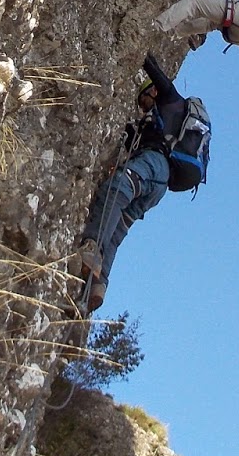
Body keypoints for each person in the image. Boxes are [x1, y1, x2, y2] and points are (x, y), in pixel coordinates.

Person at [71, 55, 186, 313]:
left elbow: (159, 77)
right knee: (120, 226)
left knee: (118, 188)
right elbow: (131, 140)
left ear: (152, 92)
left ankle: (92, 248)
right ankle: (97, 287)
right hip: (159, 184)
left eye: (144, 99)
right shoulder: (158, 123)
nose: (142, 106)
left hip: (154, 165)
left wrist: (143, 55)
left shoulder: (170, 102)